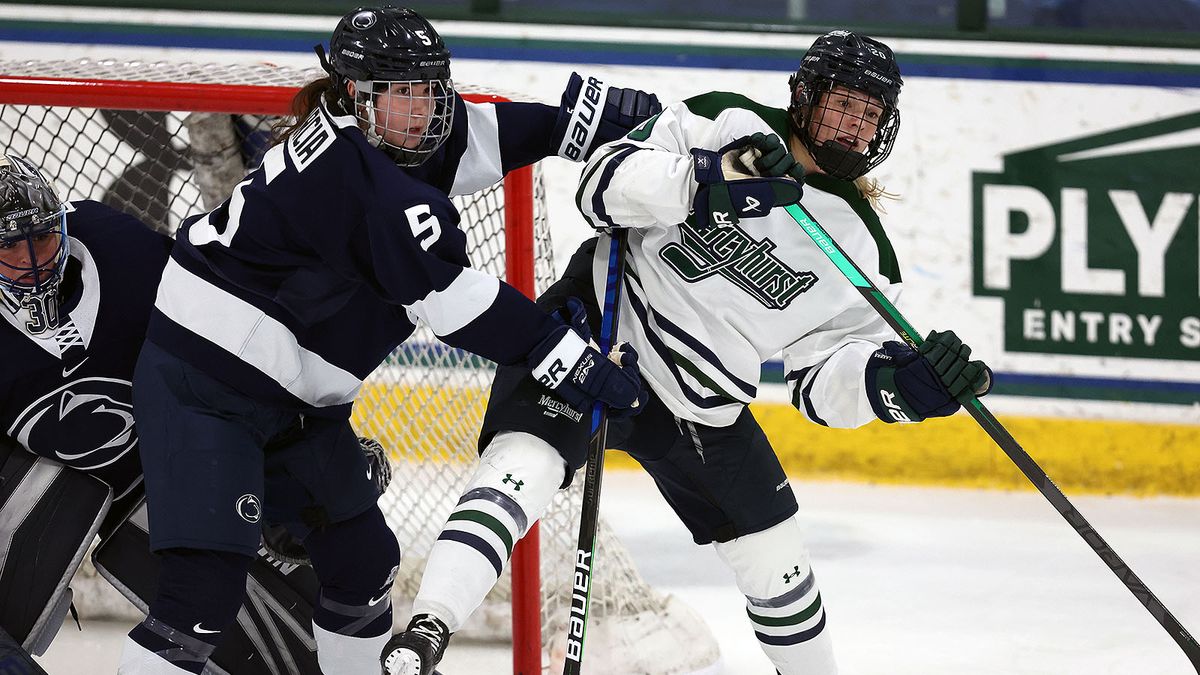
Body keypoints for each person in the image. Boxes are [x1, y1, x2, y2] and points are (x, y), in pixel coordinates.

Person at [387, 30, 994, 675]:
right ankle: (425, 634)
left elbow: (820, 386)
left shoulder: (864, 251)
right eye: (844, 105)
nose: (855, 128)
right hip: (599, 334)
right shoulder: (725, 120)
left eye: (871, 116)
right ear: (806, 97)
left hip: (698, 400)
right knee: (522, 467)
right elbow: (600, 187)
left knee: (778, 560)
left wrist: (895, 385)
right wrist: (707, 179)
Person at [117, 5, 659, 675]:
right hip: (205, 385)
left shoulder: (399, 134)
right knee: (199, 600)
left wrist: (580, 124)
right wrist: (562, 353)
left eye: (428, 87)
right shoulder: (353, 179)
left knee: (363, 561)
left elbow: (490, 132)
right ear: (354, 95)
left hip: (293, 404)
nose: (421, 107)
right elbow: (455, 304)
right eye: (400, 92)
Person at [0, 152, 336, 675]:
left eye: (41, 237)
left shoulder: (120, 249)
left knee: (307, 636)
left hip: (177, 467)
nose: (31, 259)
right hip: (47, 486)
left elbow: (228, 347)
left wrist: (312, 443)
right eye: (9, 248)